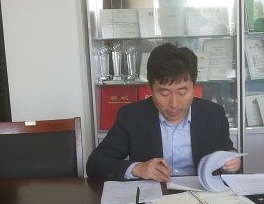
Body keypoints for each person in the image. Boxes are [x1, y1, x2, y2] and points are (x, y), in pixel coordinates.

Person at [86, 43, 241, 181]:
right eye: (164, 93)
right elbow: (95, 164)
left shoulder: (213, 114)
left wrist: (230, 162)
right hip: (154, 196)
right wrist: (138, 168)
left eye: (182, 92)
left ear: (194, 87)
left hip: (201, 196)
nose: (174, 104)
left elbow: (226, 150)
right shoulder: (132, 117)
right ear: (150, 88)